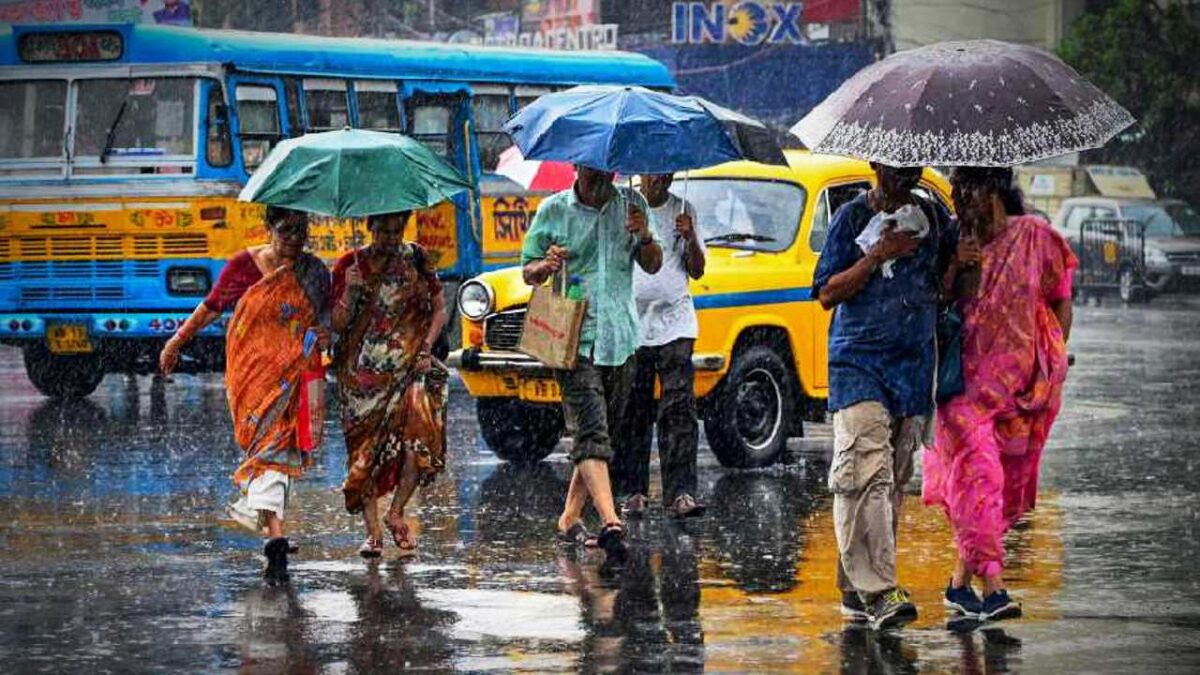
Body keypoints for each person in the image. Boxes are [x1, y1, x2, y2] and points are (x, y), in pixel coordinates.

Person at [923, 167, 1076, 622]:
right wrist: (957, 266)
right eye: (956, 190)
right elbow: (935, 303)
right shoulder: (951, 241)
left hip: (1019, 390)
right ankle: (993, 588)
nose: (960, 198)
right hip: (961, 389)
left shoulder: (1035, 236)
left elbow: (1059, 296)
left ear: (992, 189)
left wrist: (1054, 357)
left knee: (997, 493)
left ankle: (957, 586)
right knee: (981, 477)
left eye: (967, 189)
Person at [812, 163, 956, 629]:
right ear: (876, 166)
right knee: (861, 472)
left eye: (912, 169)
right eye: (896, 169)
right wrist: (877, 254)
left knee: (889, 482)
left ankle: (855, 587)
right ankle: (880, 589)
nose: (905, 176)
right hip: (859, 363)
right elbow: (827, 292)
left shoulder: (933, 220)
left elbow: (942, 292)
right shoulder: (851, 218)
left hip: (911, 369)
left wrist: (960, 262)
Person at [159, 205, 330, 582]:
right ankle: (275, 531)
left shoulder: (314, 272)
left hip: (294, 374)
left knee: (280, 448)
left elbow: (325, 321)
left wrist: (327, 345)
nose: (294, 240)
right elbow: (210, 308)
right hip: (251, 375)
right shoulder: (243, 266)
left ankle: (275, 535)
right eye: (286, 230)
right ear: (268, 228)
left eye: (302, 230)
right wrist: (176, 341)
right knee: (267, 449)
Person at [521, 165, 662, 565]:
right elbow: (527, 270)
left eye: (606, 168)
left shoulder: (633, 205)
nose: (600, 175)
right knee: (590, 432)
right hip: (573, 339)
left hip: (620, 336)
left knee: (601, 437)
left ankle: (568, 518)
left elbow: (653, 263)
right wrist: (545, 266)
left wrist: (645, 235)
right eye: (591, 167)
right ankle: (611, 522)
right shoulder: (553, 210)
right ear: (577, 167)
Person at [331, 211, 449, 559]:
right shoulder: (348, 265)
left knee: (420, 442)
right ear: (369, 226)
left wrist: (426, 347)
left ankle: (397, 511)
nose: (390, 237)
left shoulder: (417, 257)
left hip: (412, 369)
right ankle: (372, 533)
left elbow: (440, 309)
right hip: (361, 377)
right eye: (383, 229)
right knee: (365, 454)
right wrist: (351, 293)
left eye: (397, 230)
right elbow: (337, 324)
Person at [613, 173, 707, 519]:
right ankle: (633, 490)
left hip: (677, 322)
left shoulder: (684, 209)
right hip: (632, 324)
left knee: (678, 408)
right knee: (632, 410)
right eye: (654, 172)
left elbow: (697, 271)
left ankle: (681, 492)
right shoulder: (623, 208)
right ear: (641, 174)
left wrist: (690, 237)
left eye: (667, 172)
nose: (661, 179)